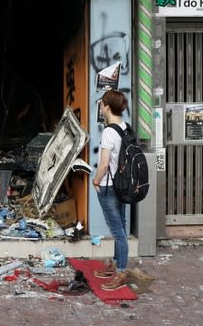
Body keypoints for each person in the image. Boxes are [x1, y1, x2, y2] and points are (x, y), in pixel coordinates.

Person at [91, 89, 129, 290]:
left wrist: (96, 181)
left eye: (101, 103)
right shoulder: (125, 127)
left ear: (107, 106)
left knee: (118, 232)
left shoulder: (108, 131)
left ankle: (121, 271)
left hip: (108, 186)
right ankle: (116, 264)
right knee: (121, 226)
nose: (100, 106)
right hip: (123, 186)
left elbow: (104, 163)